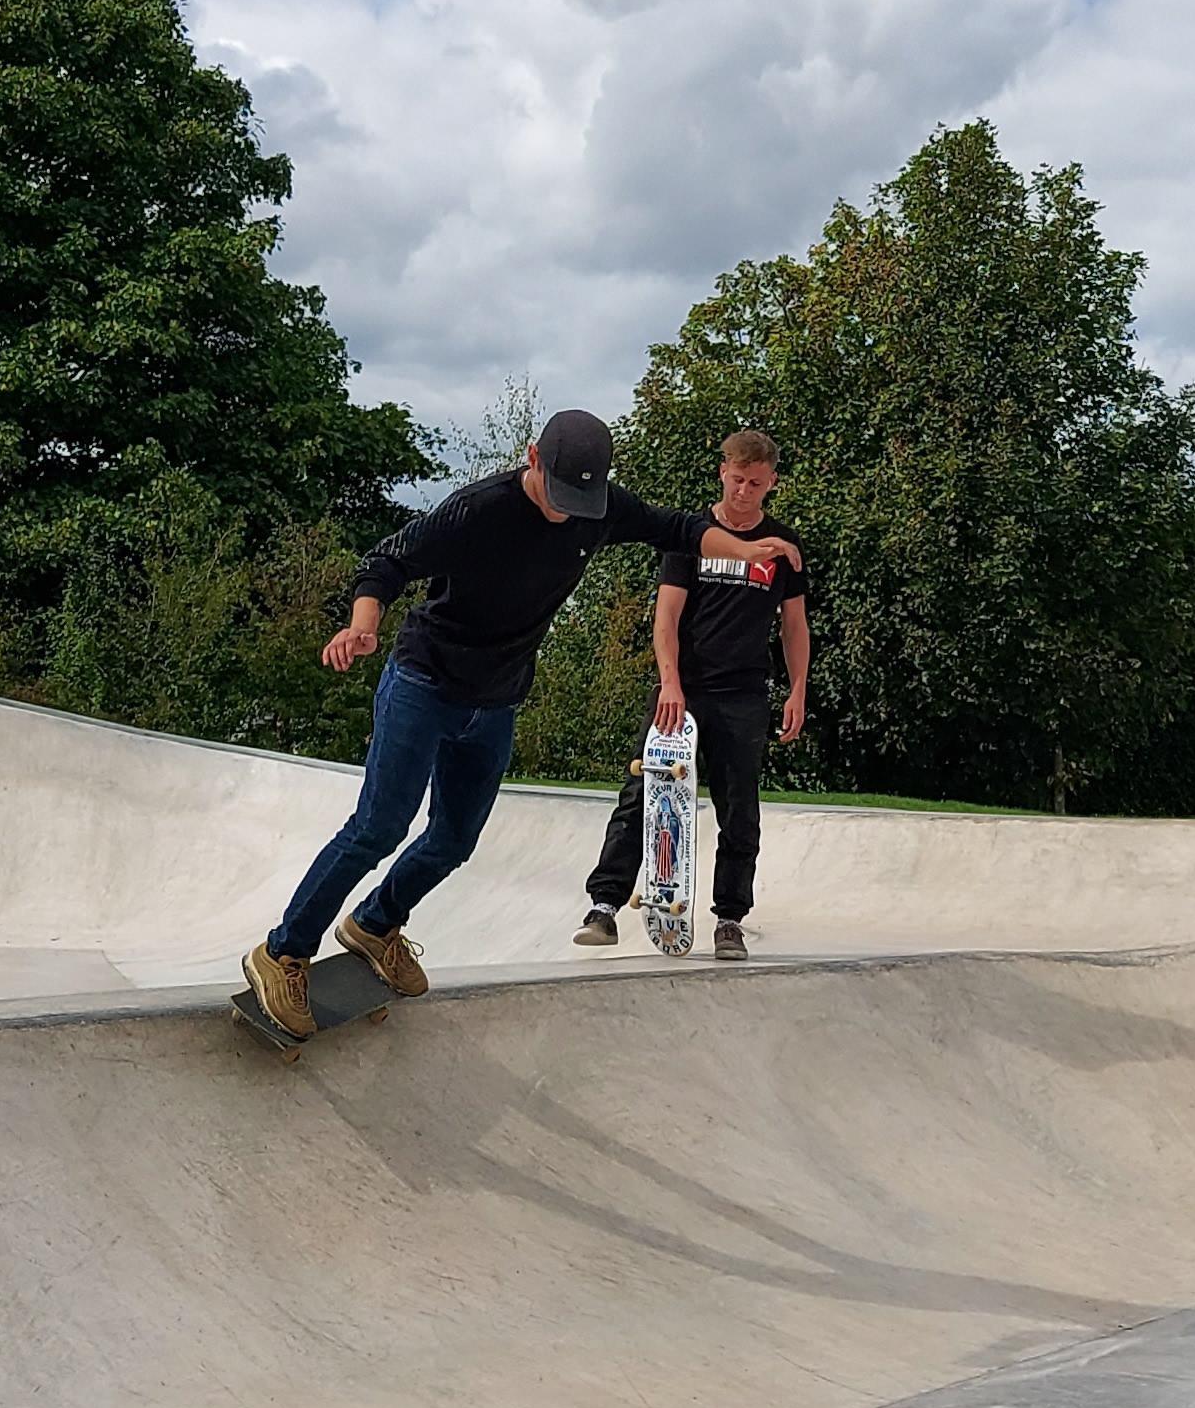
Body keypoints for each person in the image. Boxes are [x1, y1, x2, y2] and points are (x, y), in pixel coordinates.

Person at [245, 407, 804, 1036]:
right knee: (379, 826)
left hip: (497, 700)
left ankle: (374, 924)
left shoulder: (599, 505)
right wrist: (363, 625)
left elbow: (679, 529)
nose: (566, 512)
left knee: (454, 840)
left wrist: (748, 549)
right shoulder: (477, 509)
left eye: (579, 501)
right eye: (557, 496)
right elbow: (387, 562)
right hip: (424, 685)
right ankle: (284, 951)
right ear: (534, 459)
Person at [576, 430, 812, 960]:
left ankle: (729, 919)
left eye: (756, 483)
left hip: (743, 693)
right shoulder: (694, 535)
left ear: (771, 482)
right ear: (722, 472)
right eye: (737, 479)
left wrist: (798, 689)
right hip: (682, 687)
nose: (744, 491)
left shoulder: (785, 546)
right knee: (644, 791)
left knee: (739, 807)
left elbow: (794, 627)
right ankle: (605, 905)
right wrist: (671, 682)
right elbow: (666, 618)